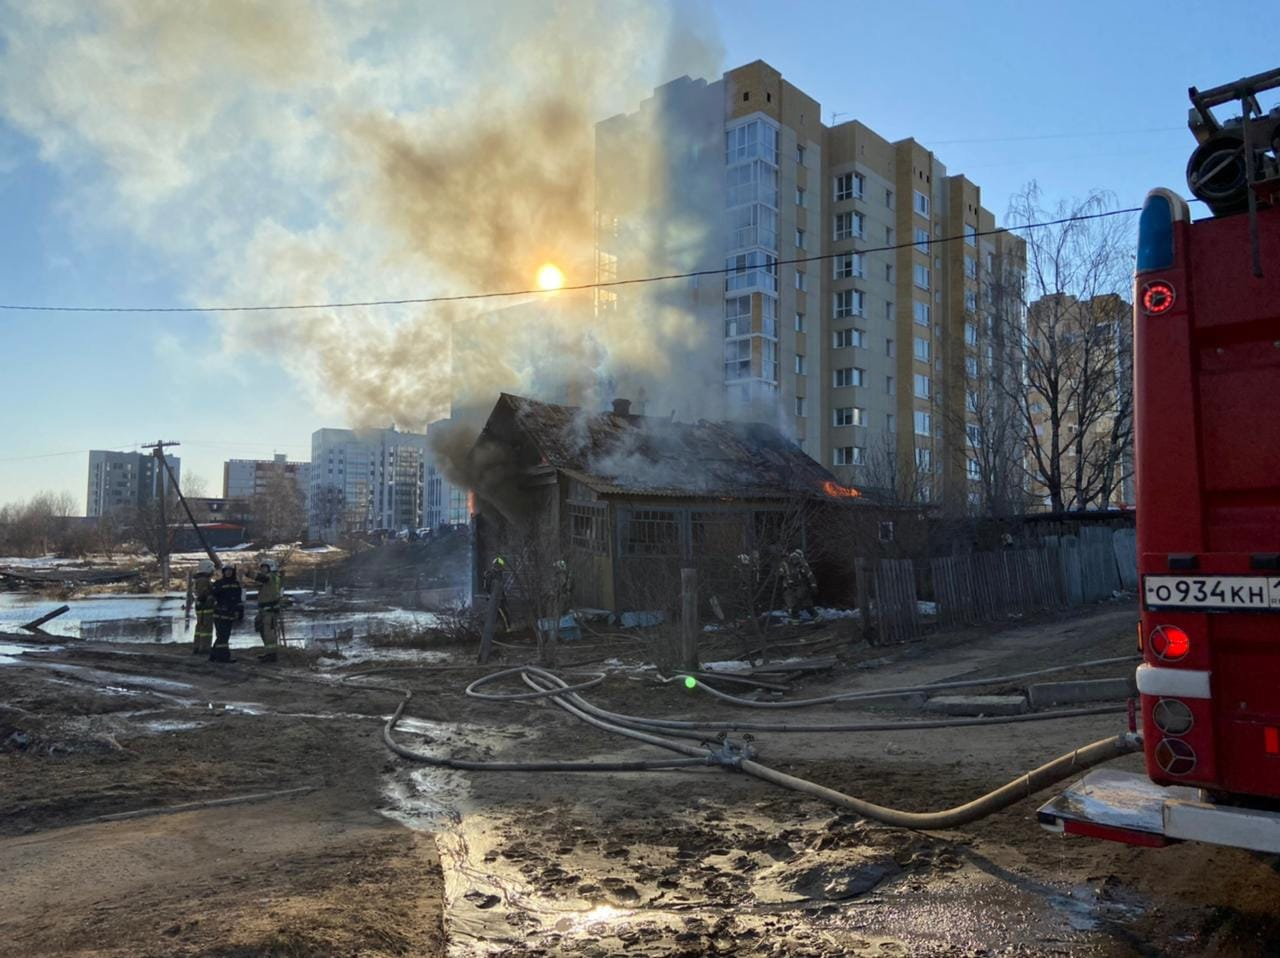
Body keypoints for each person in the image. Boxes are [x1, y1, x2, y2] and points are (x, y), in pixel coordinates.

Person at [250, 558, 284, 663]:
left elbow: (261, 578)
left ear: (270, 567)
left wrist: (248, 572)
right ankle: (268, 651)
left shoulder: (272, 577)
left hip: (270, 610)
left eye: (264, 568)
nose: (263, 570)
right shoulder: (270, 578)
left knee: (269, 632)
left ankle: (272, 654)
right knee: (261, 628)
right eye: (262, 568)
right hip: (264, 609)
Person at [209, 564, 243, 663]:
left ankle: (213, 655)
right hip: (219, 613)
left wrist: (239, 612)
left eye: (230, 570)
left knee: (224, 635)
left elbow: (238, 599)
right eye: (227, 570)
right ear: (223, 572)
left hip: (230, 614)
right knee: (222, 636)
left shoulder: (236, 584)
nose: (229, 572)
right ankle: (224, 657)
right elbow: (212, 596)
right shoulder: (218, 583)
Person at [778, 548, 819, 623]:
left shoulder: (802, 563)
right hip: (790, 587)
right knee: (794, 606)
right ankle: (796, 624)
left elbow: (810, 575)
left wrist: (813, 586)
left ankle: (818, 619)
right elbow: (780, 574)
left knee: (806, 604)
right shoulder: (784, 563)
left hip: (800, 586)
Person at [191, 559, 216, 655]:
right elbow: (203, 594)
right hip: (206, 608)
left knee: (199, 628)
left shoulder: (199, 579)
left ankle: (197, 646)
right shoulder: (204, 580)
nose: (213, 571)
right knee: (206, 629)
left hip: (201, 608)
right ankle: (205, 648)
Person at [482, 555, 511, 632]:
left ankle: (502, 629)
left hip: (499, 597)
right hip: (495, 597)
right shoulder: (490, 574)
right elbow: (487, 587)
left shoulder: (499, 574)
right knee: (500, 613)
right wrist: (492, 595)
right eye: (499, 566)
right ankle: (505, 628)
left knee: (501, 613)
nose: (500, 568)